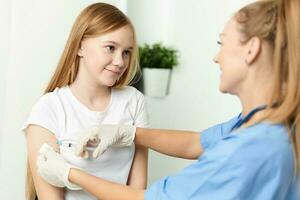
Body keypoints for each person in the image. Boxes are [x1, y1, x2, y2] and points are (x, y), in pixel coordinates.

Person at [37, 0, 300, 199]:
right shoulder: (262, 126)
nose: (216, 57)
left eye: (221, 43)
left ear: (252, 50)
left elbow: (148, 197)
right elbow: (196, 142)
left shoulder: (252, 148)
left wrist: (69, 174)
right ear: (80, 46)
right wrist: (129, 134)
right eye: (110, 48)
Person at [22, 3, 149, 200]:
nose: (120, 62)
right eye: (110, 48)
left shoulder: (134, 102)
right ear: (80, 46)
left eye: (126, 52)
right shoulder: (49, 109)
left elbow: (138, 192)